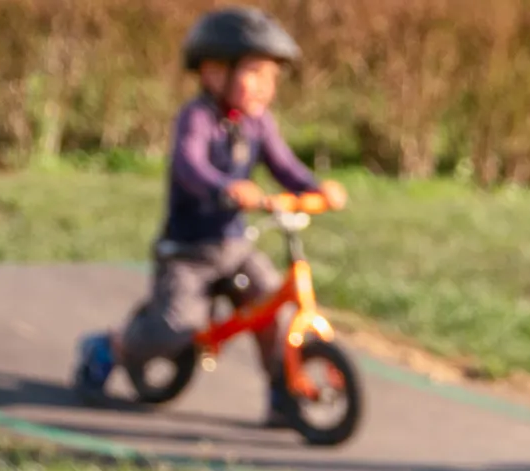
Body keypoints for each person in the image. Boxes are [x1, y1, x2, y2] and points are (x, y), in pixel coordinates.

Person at [73, 7, 346, 425]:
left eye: (272, 76)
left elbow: (284, 166)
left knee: (272, 305)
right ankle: (109, 347)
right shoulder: (196, 118)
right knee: (175, 328)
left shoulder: (258, 124)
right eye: (256, 72)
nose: (266, 86)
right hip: (188, 251)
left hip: (235, 246)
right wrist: (225, 187)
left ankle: (281, 394)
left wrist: (314, 188)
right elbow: (189, 165)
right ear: (214, 71)